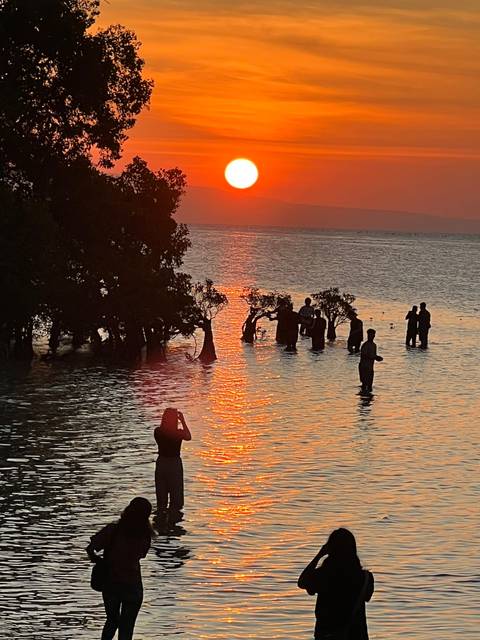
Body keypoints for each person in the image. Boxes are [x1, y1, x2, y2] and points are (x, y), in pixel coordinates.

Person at [87, 497, 153, 640]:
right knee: (126, 629)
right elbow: (142, 555)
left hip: (111, 583)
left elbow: (90, 549)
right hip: (133, 585)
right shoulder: (145, 535)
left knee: (112, 621)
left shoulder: (112, 530)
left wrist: (99, 562)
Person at [298, 528, 374, 640]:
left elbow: (302, 582)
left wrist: (319, 554)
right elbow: (367, 597)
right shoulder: (366, 578)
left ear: (330, 549)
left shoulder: (324, 575)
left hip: (327, 635)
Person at [154, 407, 191, 518]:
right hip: (174, 464)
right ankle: (174, 522)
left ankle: (161, 521)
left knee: (161, 497)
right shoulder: (177, 433)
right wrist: (183, 421)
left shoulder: (158, 431)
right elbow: (188, 437)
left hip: (161, 463)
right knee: (176, 498)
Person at [358, 329, 383, 394]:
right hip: (364, 367)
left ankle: (368, 400)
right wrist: (375, 357)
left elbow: (373, 355)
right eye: (370, 335)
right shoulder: (365, 345)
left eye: (373, 335)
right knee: (364, 385)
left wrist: (377, 358)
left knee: (369, 386)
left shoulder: (374, 345)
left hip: (370, 368)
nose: (371, 336)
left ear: (374, 336)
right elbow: (364, 356)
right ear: (368, 335)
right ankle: (364, 399)